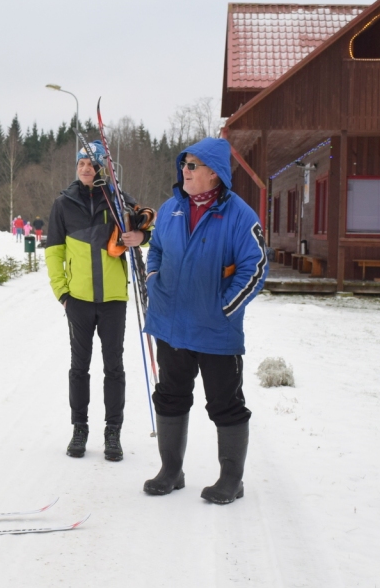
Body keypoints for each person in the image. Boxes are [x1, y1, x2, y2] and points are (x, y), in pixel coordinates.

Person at [142, 136, 267, 504]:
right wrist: (153, 282)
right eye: (183, 164)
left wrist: (226, 307)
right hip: (171, 325)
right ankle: (171, 471)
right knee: (170, 397)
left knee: (225, 403)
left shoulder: (240, 215)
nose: (185, 170)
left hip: (216, 331)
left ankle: (231, 479)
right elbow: (157, 251)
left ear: (215, 173)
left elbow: (256, 267)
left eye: (192, 165)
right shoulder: (171, 209)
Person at [45, 140, 151, 461]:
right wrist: (62, 293)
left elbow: (146, 223)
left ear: (103, 167)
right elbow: (54, 253)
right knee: (79, 367)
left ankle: (113, 432)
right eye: (81, 164)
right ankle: (80, 429)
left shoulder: (118, 200)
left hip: (114, 300)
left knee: (113, 367)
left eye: (91, 164)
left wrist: (141, 235)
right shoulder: (63, 204)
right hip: (77, 300)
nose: (86, 168)